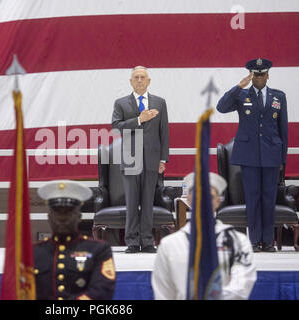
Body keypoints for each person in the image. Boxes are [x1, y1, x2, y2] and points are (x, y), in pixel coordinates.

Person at [216, 58, 288, 252]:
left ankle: (268, 241)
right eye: (255, 75)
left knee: (268, 198)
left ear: (267, 75)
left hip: (272, 154)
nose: (259, 78)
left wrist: (283, 159)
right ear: (251, 75)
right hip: (249, 155)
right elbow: (221, 107)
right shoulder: (241, 95)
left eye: (262, 74)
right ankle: (255, 241)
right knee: (253, 198)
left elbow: (283, 129)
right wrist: (239, 86)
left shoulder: (278, 96)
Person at [151, 172, 257, 300]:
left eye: (209, 197)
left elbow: (242, 286)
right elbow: (163, 293)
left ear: (218, 201)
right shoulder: (170, 245)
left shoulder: (238, 241)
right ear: (188, 200)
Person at [111, 66, 169, 253]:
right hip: (130, 158)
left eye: (142, 77)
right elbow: (115, 127)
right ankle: (132, 242)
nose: (139, 80)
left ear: (148, 80)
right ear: (130, 81)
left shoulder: (160, 103)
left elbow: (164, 132)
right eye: (135, 77)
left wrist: (163, 159)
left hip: (152, 159)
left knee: (147, 202)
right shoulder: (121, 103)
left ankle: (147, 241)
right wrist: (139, 119)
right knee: (132, 201)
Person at [34, 180, 116, 300]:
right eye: (57, 213)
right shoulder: (33, 253)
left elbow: (103, 291)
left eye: (68, 212)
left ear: (79, 217)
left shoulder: (99, 250)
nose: (62, 218)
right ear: (49, 217)